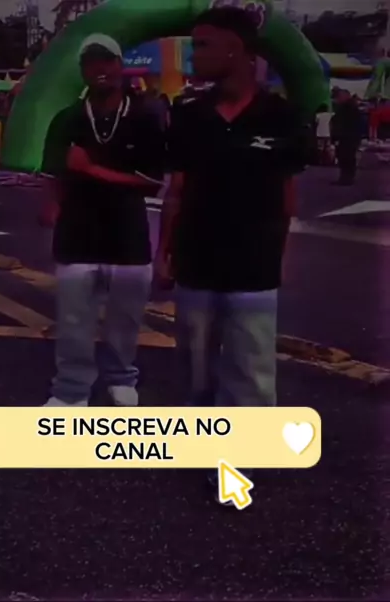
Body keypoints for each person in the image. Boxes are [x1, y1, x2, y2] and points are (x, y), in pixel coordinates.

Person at [154, 7, 310, 505]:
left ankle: (237, 463)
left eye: (203, 45)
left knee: (250, 371)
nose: (194, 55)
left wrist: (282, 254)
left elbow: (287, 196)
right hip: (196, 262)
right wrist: (163, 253)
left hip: (254, 265)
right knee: (197, 368)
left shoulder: (281, 116)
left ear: (235, 50)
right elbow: (176, 191)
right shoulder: (188, 115)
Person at [41, 34, 165, 408]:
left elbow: (152, 182)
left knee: (125, 319)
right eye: (91, 62)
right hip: (76, 235)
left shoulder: (145, 117)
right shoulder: (67, 119)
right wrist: (53, 205)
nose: (100, 68)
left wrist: (91, 169)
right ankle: (71, 390)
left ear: (120, 65)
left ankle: (121, 377)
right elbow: (54, 174)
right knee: (73, 322)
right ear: (82, 70)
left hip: (128, 236)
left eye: (107, 60)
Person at [330, 89, 364, 185]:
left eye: (339, 97)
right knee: (345, 158)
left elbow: (343, 123)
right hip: (348, 137)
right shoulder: (349, 107)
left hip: (347, 137)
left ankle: (346, 178)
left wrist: (337, 135)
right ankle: (346, 177)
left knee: (346, 158)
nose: (337, 99)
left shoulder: (349, 108)